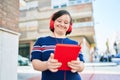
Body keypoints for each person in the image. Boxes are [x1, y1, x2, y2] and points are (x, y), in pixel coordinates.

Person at [31, 10, 85, 80]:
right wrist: (47, 64)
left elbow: (82, 66)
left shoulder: (75, 44)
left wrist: (78, 66)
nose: (62, 24)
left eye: (66, 22)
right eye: (59, 21)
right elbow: (35, 64)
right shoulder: (41, 41)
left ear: (69, 26)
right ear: (52, 22)